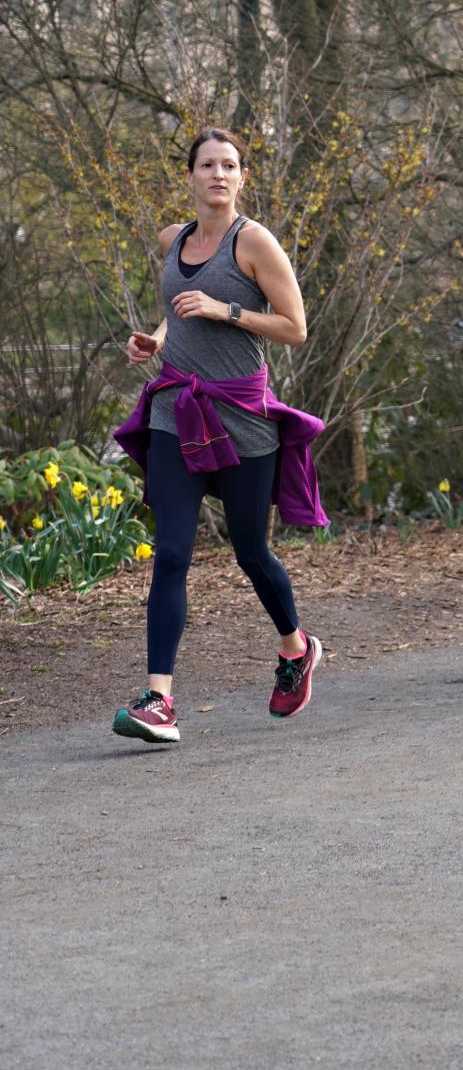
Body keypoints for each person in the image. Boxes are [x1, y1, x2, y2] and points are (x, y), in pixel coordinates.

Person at [107, 129, 327, 746]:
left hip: (241, 417)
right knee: (172, 552)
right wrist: (154, 338)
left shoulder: (253, 242)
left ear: (242, 177)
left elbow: (295, 328)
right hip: (177, 410)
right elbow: (180, 305)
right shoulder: (172, 240)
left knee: (250, 551)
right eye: (207, 165)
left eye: (229, 165)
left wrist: (225, 311)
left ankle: (296, 647)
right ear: (190, 176)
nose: (218, 175)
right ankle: (159, 700)